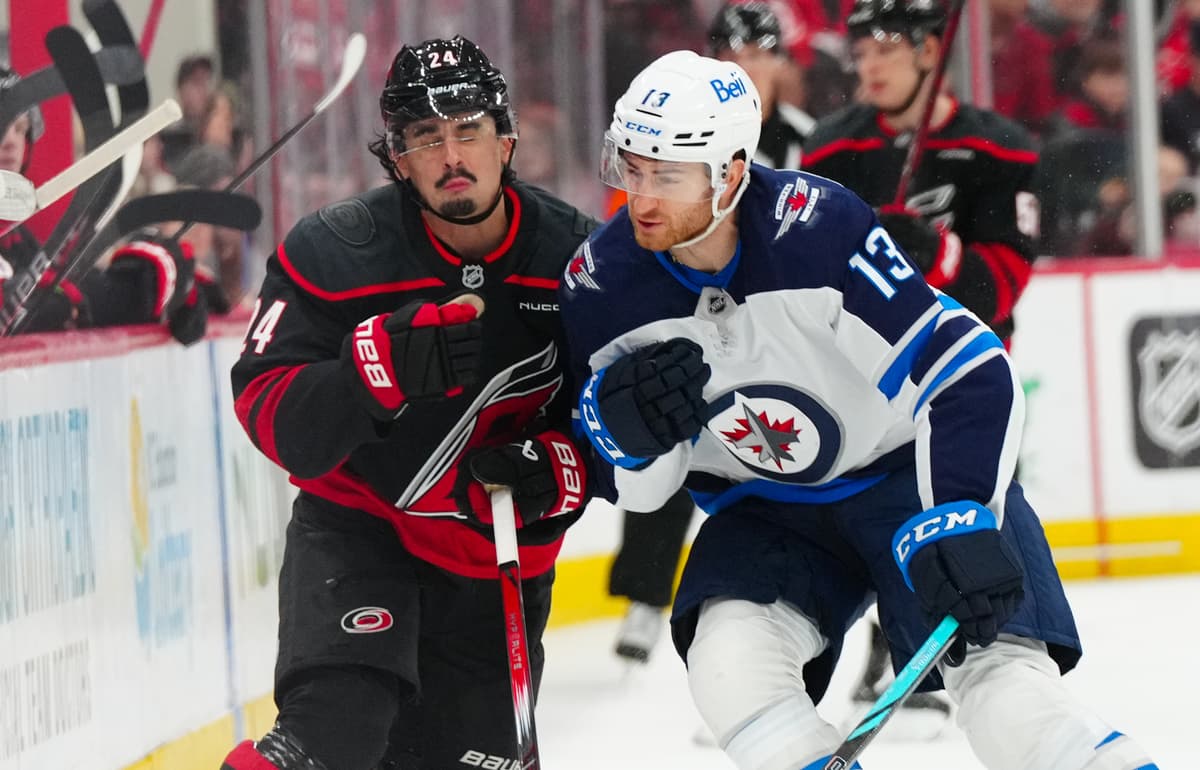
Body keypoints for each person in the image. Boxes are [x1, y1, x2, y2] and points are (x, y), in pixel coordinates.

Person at [559, 48, 1160, 770]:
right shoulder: (603, 287)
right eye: (630, 167)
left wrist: (963, 512)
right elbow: (643, 487)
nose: (641, 199)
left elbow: (966, 367)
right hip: (768, 512)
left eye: (665, 175)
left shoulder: (815, 233)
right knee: (729, 662)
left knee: (1009, 702)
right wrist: (625, 442)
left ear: (732, 175)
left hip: (907, 480)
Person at [220, 36, 596, 770]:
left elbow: (626, 422)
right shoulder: (333, 255)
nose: (451, 155)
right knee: (326, 741)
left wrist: (563, 466)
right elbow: (268, 410)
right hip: (360, 532)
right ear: (397, 158)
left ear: (507, 139)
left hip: (496, 563)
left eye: (468, 131)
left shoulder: (581, 264)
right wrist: (369, 375)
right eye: (426, 137)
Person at [801, 0, 1041, 711]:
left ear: (930, 54)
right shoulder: (831, 148)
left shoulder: (999, 148)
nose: (868, 66)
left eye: (886, 49)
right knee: (862, 516)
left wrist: (939, 252)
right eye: (862, 51)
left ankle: (988, 664)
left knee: (976, 522)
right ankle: (879, 645)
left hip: (963, 384)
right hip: (861, 377)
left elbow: (1004, 283)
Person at [607, 0, 819, 666]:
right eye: (733, 56)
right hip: (691, 315)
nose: (747, 68)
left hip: (778, 328)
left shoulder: (816, 137)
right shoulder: (674, 135)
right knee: (666, 433)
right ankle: (646, 594)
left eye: (759, 54)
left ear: (780, 61)